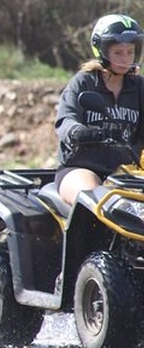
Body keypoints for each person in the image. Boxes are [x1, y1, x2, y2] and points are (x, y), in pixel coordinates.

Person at [55, 14, 144, 205]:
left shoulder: (139, 87)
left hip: (126, 172)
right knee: (95, 201)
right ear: (102, 51)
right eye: (118, 53)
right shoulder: (83, 82)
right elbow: (65, 121)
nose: (125, 58)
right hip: (80, 168)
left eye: (130, 52)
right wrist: (80, 132)